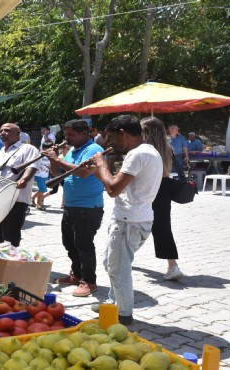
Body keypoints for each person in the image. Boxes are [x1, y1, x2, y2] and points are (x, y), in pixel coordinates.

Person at [87, 114, 163, 325]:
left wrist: (101, 163)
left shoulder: (137, 155)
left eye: (113, 138)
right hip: (135, 218)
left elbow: (112, 189)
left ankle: (123, 315)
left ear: (124, 134)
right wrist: (97, 172)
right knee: (111, 262)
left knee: (118, 268)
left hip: (129, 221)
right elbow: (118, 184)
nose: (111, 144)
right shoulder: (149, 152)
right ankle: (114, 303)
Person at [44, 119, 105, 297]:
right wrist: (53, 160)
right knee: (69, 243)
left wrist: (58, 159)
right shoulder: (71, 151)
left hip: (88, 207)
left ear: (84, 134)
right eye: (66, 134)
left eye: (71, 134)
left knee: (84, 245)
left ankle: (89, 281)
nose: (67, 138)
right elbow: (59, 175)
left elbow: (84, 172)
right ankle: (77, 275)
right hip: (71, 206)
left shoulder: (94, 150)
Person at [141, 116, 185, 281]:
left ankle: (123, 256)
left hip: (150, 188)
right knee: (162, 227)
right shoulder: (168, 147)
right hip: (164, 187)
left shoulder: (145, 150)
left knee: (136, 223)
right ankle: (172, 265)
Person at [32, 141, 53, 210]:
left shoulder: (51, 155)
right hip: (38, 174)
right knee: (43, 189)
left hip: (45, 175)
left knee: (41, 190)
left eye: (50, 148)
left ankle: (39, 204)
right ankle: (32, 198)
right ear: (43, 148)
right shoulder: (39, 154)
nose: (49, 150)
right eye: (47, 148)